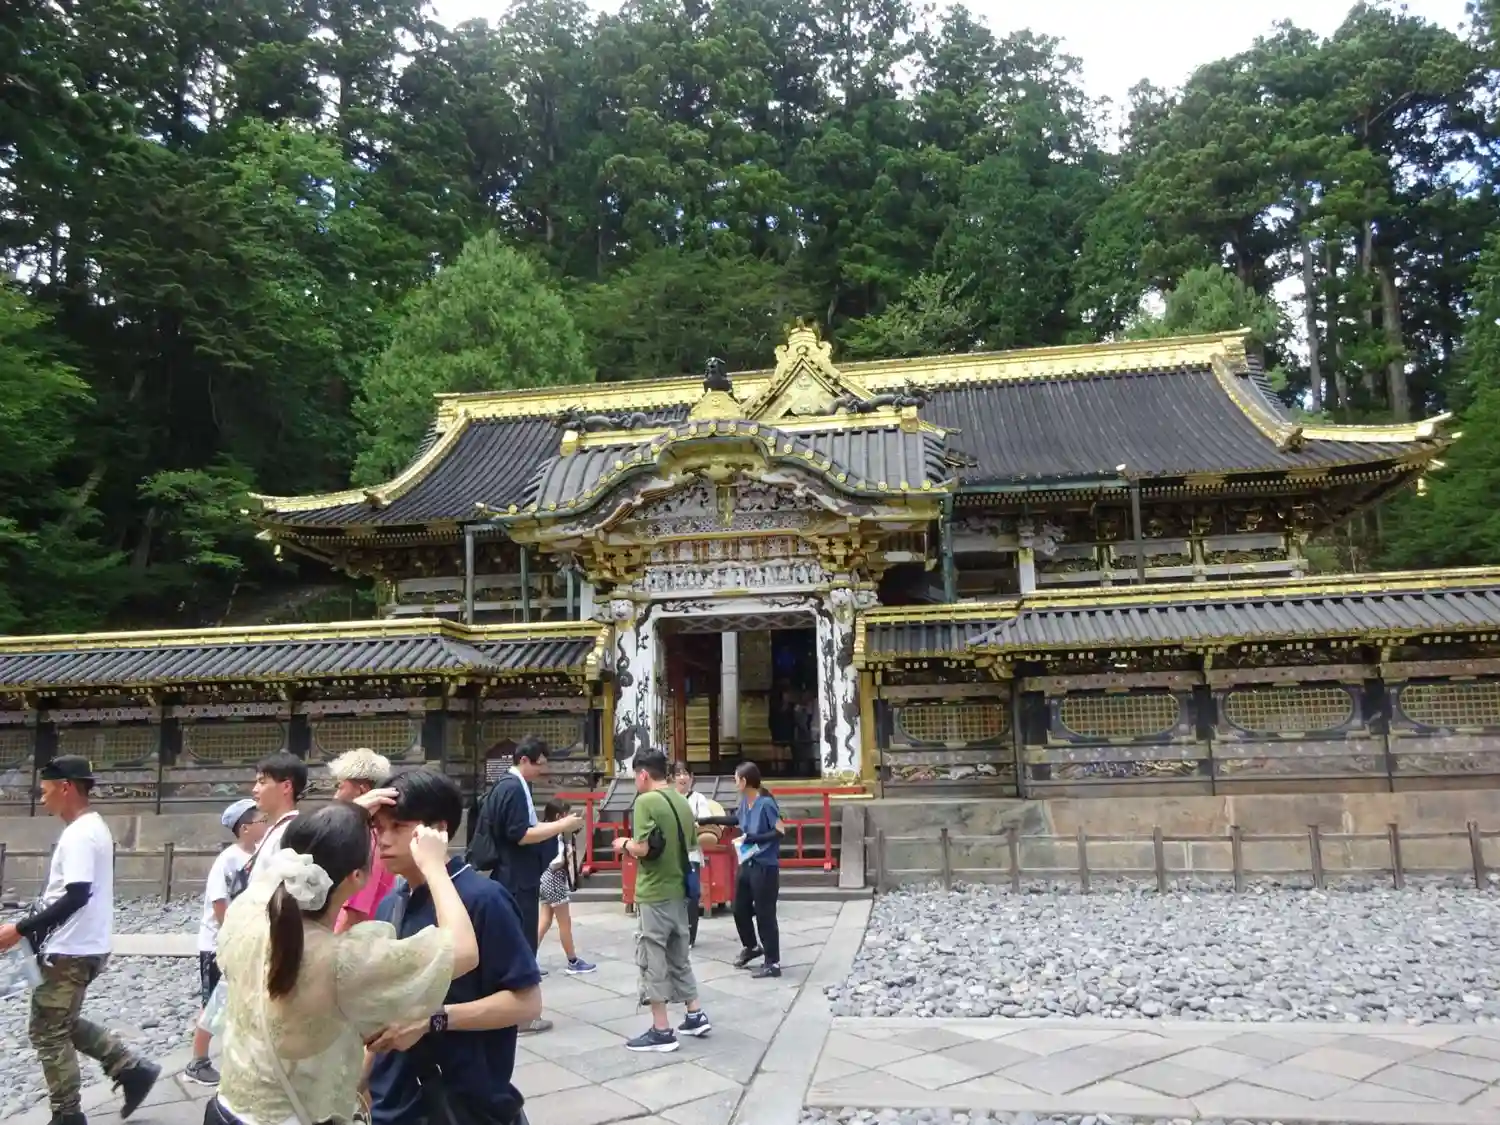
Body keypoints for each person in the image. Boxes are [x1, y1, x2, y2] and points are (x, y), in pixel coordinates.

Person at [209, 796, 479, 1125]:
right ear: (357, 877)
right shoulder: (343, 961)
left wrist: (343, 817)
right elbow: (463, 951)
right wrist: (435, 867)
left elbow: (289, 862)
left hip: (226, 1108)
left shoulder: (249, 910)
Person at [366, 769, 543, 1125]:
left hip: (460, 1102)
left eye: (397, 827)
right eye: (378, 828)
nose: (383, 840)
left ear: (438, 830)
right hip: (392, 1102)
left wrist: (434, 1019)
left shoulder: (483, 899)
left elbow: (527, 1002)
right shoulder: (390, 903)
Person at [0, 756, 160, 1124]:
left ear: (66, 787)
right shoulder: (90, 828)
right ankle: (129, 1068)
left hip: (70, 950)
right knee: (60, 1021)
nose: (42, 798)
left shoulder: (80, 835)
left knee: (48, 1031)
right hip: (79, 945)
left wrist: (20, 929)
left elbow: (75, 896)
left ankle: (68, 1114)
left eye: (46, 791)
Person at [466, 735, 581, 1034]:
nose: (542, 770)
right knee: (520, 945)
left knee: (518, 941)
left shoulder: (515, 785)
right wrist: (562, 826)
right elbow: (520, 834)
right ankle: (519, 1015)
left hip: (517, 875)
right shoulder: (512, 788)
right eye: (539, 764)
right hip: (517, 877)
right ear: (525, 760)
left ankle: (513, 1012)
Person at [611, 749, 710, 1053]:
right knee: (679, 954)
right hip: (679, 888)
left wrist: (623, 843)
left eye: (635, 777)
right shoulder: (681, 800)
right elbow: (692, 842)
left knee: (652, 957)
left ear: (643, 774)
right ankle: (694, 1014)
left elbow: (642, 848)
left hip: (653, 891)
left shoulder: (646, 802)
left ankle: (661, 1028)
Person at [185, 799, 266, 1087]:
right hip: (218, 943)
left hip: (244, 940)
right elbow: (219, 903)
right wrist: (232, 936)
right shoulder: (227, 860)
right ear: (245, 828)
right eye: (261, 821)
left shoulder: (260, 855)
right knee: (213, 1003)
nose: (265, 825)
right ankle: (197, 1061)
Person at [328, 748, 395, 932]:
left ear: (362, 790)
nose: (335, 796)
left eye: (340, 787)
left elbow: (354, 914)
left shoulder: (366, 838)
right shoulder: (373, 833)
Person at [731, 762, 784, 978]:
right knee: (739, 908)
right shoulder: (746, 802)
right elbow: (736, 819)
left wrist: (755, 838)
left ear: (744, 781)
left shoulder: (766, 803)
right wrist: (707, 821)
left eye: (736, 779)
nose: (735, 783)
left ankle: (773, 962)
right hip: (747, 862)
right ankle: (751, 946)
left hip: (765, 865)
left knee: (765, 913)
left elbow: (780, 831)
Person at [536, 798, 596, 975]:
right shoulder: (554, 835)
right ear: (558, 816)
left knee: (545, 920)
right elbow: (556, 860)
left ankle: (528, 958)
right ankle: (572, 960)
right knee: (564, 922)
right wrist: (567, 858)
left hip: (545, 878)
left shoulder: (544, 831)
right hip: (554, 878)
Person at [671, 764, 723, 947]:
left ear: (691, 777)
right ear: (672, 778)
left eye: (685, 773)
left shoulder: (698, 798)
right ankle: (674, 933)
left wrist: (692, 825)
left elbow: (705, 821)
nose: (682, 777)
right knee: (673, 895)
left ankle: (690, 935)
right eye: (678, 774)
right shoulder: (667, 797)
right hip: (671, 855)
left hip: (691, 853)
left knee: (692, 893)